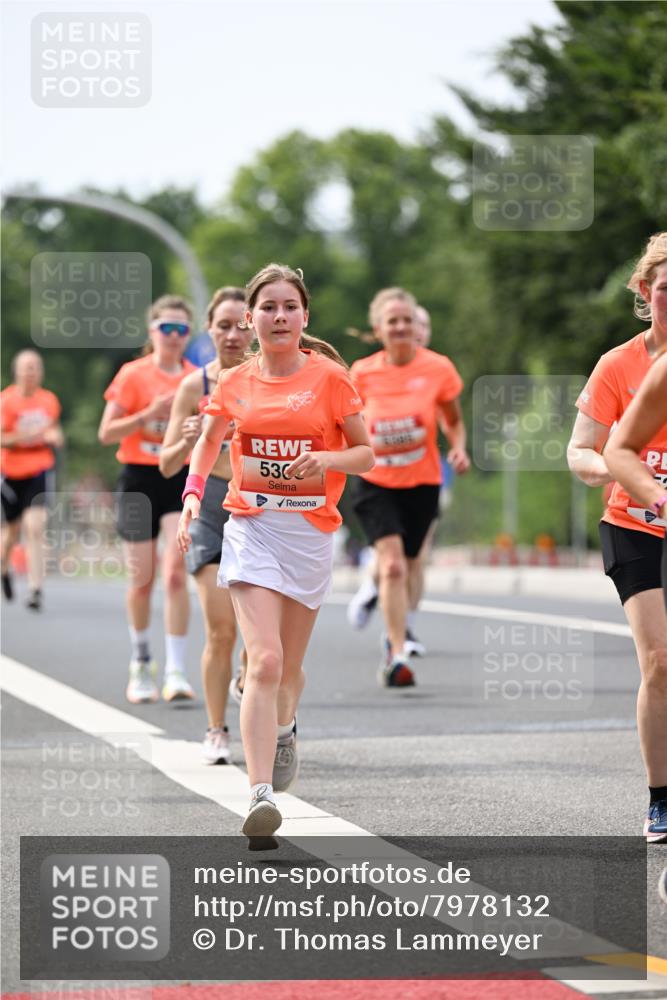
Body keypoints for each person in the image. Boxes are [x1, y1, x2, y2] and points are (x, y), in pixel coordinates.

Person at [177, 263, 373, 843]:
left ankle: (285, 728)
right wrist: (192, 496)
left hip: (309, 533)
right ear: (250, 318)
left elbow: (365, 454)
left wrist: (328, 459)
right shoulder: (234, 381)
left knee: (288, 670)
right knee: (262, 662)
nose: (279, 316)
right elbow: (208, 443)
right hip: (251, 527)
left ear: (304, 316)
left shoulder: (331, 379)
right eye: (268, 307)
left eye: (290, 307)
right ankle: (259, 794)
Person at [567, 232, 667, 843]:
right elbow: (579, 450)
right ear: (644, 292)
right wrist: (619, 467)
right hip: (633, 525)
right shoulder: (619, 365)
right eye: (666, 290)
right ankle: (662, 797)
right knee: (658, 660)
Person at [349, 288, 469, 687]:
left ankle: (396, 626)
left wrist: (458, 447)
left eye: (407, 320)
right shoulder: (362, 373)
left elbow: (453, 419)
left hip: (422, 482)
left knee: (414, 562)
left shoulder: (438, 368)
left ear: (416, 326)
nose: (401, 327)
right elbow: (344, 424)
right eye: (392, 321)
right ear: (378, 329)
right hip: (375, 482)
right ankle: (397, 652)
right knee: (394, 565)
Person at [160, 287, 252, 764]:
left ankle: (249, 679)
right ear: (209, 329)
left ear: (253, 328)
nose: (232, 335)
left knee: (257, 637)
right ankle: (216, 730)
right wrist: (188, 438)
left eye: (241, 325)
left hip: (256, 509)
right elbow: (166, 463)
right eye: (223, 326)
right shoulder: (193, 387)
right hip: (209, 511)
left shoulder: (268, 379)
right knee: (221, 629)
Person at [98, 294, 197, 705]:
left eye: (181, 329)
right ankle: (141, 661)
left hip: (178, 477)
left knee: (175, 573)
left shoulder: (196, 378)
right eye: (166, 328)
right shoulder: (133, 375)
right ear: (152, 331)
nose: (173, 336)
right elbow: (106, 433)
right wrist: (148, 413)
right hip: (138, 478)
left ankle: (176, 669)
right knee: (142, 578)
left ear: (189, 335)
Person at [1, 349, 63, 610]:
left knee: (35, 527)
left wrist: (55, 437)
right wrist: (29, 435)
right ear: (16, 371)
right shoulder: (6, 401)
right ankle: (4, 567)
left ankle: (35, 589)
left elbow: (54, 431)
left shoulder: (48, 400)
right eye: (26, 368)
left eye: (35, 367)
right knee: (11, 532)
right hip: (10, 472)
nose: (31, 372)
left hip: (39, 469)